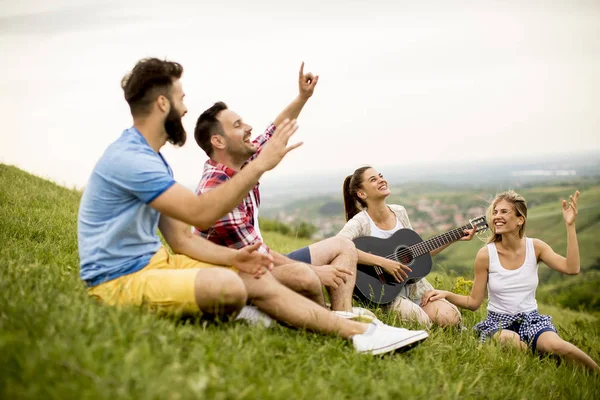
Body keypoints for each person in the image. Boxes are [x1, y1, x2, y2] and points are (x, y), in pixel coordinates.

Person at [77, 57, 428, 355]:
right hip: (118, 280)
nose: (185, 107)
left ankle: (359, 334)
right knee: (231, 287)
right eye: (181, 99)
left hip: (162, 264)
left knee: (249, 275)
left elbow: (181, 239)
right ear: (162, 105)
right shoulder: (132, 160)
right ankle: (260, 314)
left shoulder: (152, 159)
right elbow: (200, 213)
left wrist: (236, 259)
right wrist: (260, 167)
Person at [192, 63, 362, 318]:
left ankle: (343, 315)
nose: (249, 127)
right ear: (218, 141)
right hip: (236, 275)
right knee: (305, 276)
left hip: (258, 260)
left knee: (343, 246)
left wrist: (303, 97)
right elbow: (255, 256)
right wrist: (317, 272)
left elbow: (274, 131)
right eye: (238, 125)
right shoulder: (216, 189)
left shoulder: (240, 162)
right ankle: (328, 322)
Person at [421, 190, 599, 371]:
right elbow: (474, 302)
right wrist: (446, 294)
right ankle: (540, 360)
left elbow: (572, 268)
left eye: (504, 212)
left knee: (560, 347)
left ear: (520, 219)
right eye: (495, 212)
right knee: (513, 342)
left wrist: (570, 225)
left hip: (532, 319)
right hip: (497, 324)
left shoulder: (535, 247)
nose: (497, 216)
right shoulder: (485, 254)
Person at [339, 166, 476, 327]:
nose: (381, 180)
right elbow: (339, 247)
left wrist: (456, 237)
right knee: (421, 322)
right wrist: (382, 262)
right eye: (373, 179)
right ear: (362, 194)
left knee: (451, 318)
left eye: (380, 176)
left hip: (414, 286)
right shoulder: (359, 222)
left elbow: (417, 252)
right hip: (384, 292)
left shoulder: (399, 212)